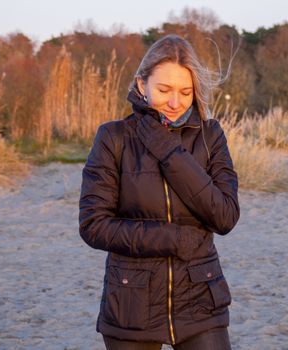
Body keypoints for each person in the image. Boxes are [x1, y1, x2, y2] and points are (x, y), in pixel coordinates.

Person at [79, 34, 240, 350]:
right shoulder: (113, 138)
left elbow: (225, 216)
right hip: (131, 301)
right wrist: (171, 238)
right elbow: (93, 225)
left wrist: (169, 152)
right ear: (142, 84)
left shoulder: (211, 136)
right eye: (164, 90)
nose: (176, 102)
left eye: (186, 92)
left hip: (199, 296)